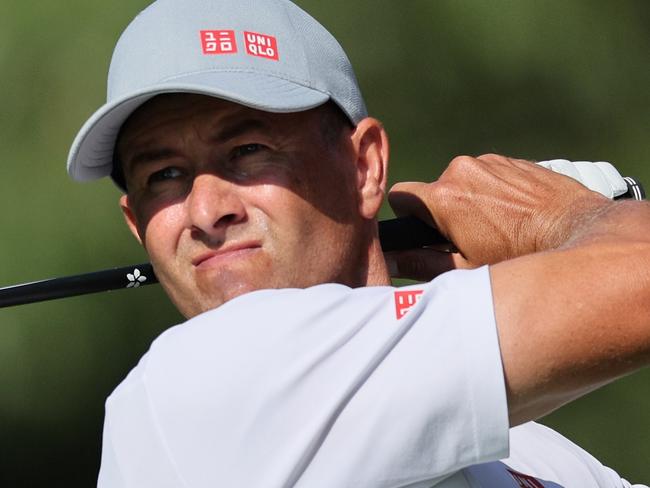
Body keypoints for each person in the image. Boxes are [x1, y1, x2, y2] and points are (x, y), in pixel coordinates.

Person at [67, 0, 650, 486]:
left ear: (364, 167)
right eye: (162, 176)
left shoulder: (535, 457)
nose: (205, 211)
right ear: (137, 223)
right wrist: (568, 219)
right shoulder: (194, 382)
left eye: (247, 151)